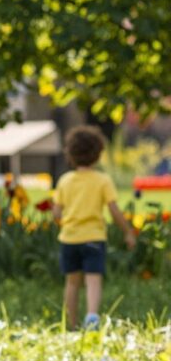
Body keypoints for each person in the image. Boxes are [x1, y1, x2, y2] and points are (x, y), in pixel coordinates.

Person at [52, 125, 136, 330]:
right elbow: (114, 211)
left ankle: (71, 325)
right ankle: (91, 317)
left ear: (70, 154)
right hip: (93, 238)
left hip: (69, 239)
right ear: (98, 155)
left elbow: (56, 213)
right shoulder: (102, 180)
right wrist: (127, 232)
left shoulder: (65, 181)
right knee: (93, 280)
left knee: (72, 283)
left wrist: (66, 223)